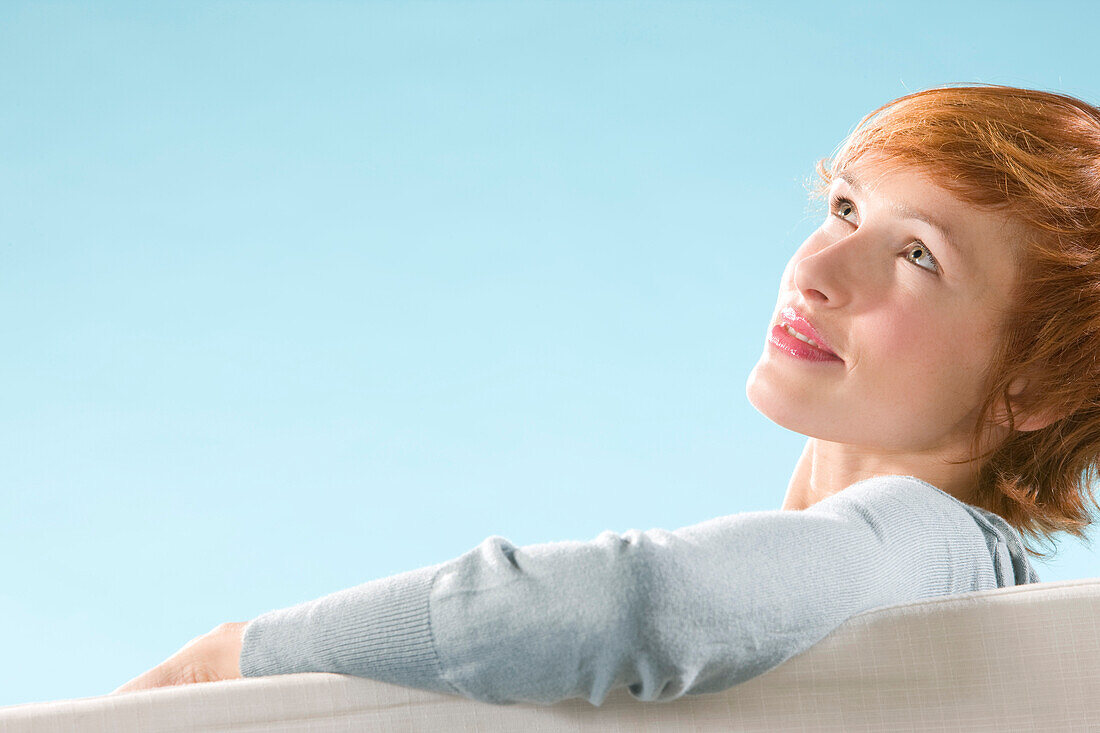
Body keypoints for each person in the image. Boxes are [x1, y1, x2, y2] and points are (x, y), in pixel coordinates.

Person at [111, 83, 1100, 705]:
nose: (815, 270)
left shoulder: (933, 538)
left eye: (917, 255)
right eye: (844, 206)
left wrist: (234, 654)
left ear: (1031, 389)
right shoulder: (895, 570)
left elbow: (641, 603)